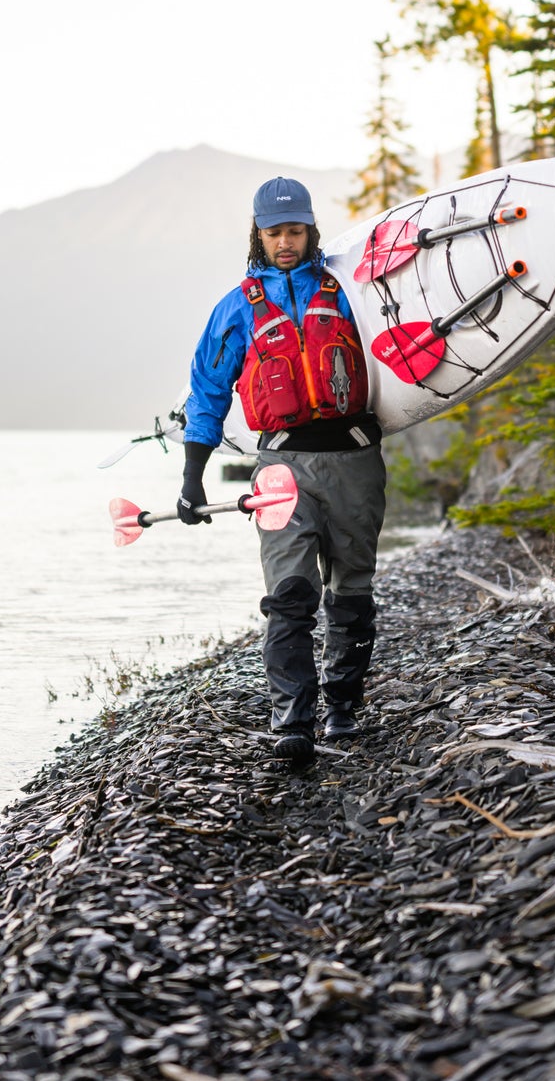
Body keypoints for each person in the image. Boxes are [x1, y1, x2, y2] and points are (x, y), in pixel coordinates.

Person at [179, 177, 386, 761]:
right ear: (259, 236)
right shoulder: (236, 308)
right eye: (275, 233)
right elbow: (209, 390)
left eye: (296, 231)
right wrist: (193, 477)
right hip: (281, 469)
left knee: (352, 593)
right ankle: (293, 720)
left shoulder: (347, 288)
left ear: (311, 230)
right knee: (290, 594)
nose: (286, 242)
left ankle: (343, 708)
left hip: (355, 459)